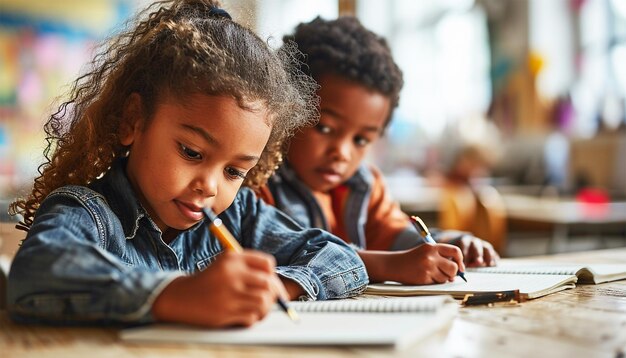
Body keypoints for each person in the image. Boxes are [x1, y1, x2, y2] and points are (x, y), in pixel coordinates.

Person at [7, 0, 368, 328]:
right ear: (134, 120)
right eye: (192, 153)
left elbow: (338, 258)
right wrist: (176, 295)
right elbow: (34, 275)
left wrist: (280, 285)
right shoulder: (88, 213)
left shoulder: (238, 214)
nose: (210, 187)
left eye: (234, 171)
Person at [257, 16, 499, 286]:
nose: (342, 153)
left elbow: (391, 233)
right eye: (325, 129)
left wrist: (446, 244)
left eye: (361, 140)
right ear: (285, 111)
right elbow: (280, 257)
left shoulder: (364, 185)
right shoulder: (259, 184)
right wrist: (390, 267)